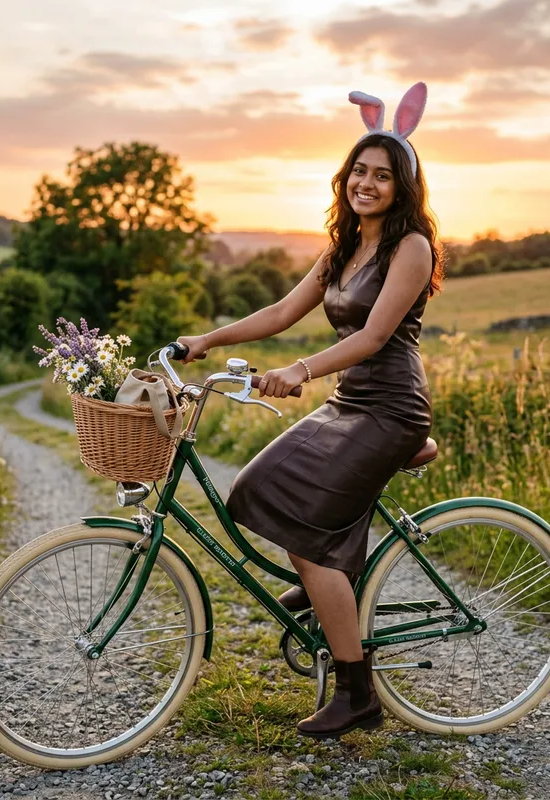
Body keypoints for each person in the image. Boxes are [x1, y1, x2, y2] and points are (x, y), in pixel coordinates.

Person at [177, 83, 444, 739]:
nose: (366, 183)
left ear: (404, 188)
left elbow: (373, 337)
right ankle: (333, 583)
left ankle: (357, 692)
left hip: (391, 408)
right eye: (359, 170)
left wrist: (300, 369)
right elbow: (279, 312)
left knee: (309, 535)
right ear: (345, 176)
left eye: (383, 175)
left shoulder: (410, 248)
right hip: (351, 401)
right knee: (255, 485)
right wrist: (207, 339)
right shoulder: (343, 248)